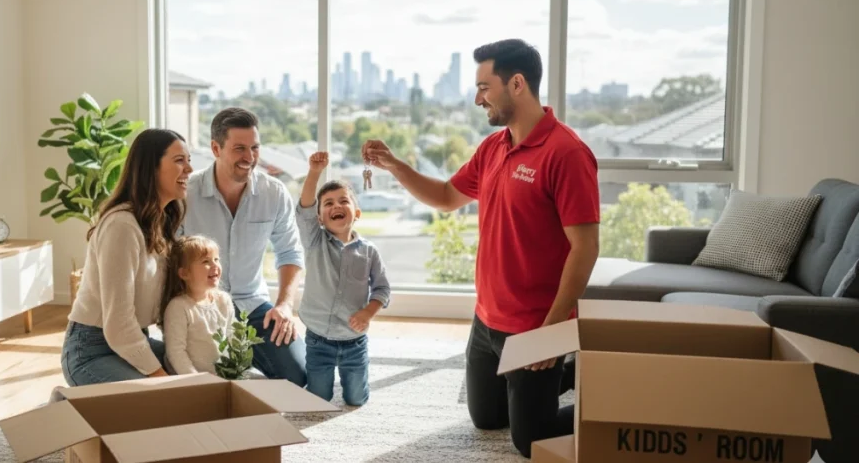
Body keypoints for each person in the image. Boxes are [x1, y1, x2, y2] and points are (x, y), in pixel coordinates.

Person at [361, 38, 600, 457]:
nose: (477, 99)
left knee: (531, 441)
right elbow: (446, 198)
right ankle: (558, 374)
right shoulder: (494, 147)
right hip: (486, 321)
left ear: (518, 84)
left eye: (484, 88)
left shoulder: (567, 153)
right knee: (487, 418)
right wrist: (395, 165)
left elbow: (586, 246)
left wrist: (552, 327)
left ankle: (601, 387)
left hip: (534, 324)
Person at [181, 107, 308, 386]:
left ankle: (245, 358)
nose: (249, 157)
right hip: (200, 308)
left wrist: (285, 306)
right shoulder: (185, 195)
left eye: (254, 148)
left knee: (296, 376)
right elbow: (168, 259)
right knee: (204, 383)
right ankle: (240, 362)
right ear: (216, 148)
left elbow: (290, 253)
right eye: (239, 148)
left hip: (253, 305)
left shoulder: (273, 193)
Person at [62, 128, 192, 385]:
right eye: (179, 160)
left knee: (202, 367)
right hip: (91, 351)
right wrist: (163, 380)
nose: (188, 169)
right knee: (167, 400)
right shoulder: (121, 226)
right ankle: (68, 408)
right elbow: (119, 325)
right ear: (150, 168)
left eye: (189, 161)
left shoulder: (159, 221)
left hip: (132, 341)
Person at [296, 151, 391, 406]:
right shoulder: (315, 241)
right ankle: (320, 380)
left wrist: (368, 313)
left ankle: (358, 380)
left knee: (356, 399)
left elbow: (382, 289)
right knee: (319, 398)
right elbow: (304, 208)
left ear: (356, 212)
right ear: (319, 218)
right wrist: (314, 172)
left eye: (343, 201)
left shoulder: (369, 251)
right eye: (328, 203)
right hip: (318, 338)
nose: (336, 206)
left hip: (353, 341)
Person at [157, 235, 235, 376]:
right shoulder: (178, 307)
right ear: (184, 273)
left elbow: (231, 337)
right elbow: (176, 352)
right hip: (192, 379)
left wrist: (235, 370)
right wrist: (195, 379)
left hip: (222, 375)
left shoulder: (224, 301)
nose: (215, 265)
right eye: (206, 261)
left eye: (216, 259)